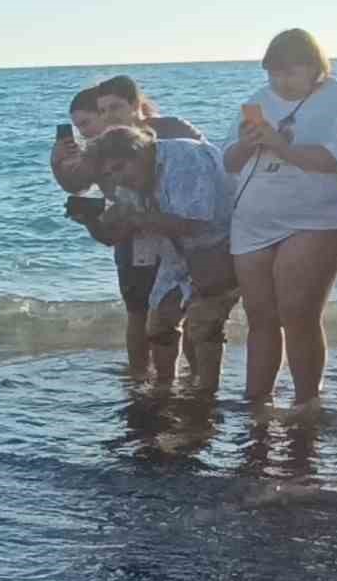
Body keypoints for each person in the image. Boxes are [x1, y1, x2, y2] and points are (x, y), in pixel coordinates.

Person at [223, 29, 337, 408]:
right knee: (259, 315)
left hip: (317, 218)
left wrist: (281, 147)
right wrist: (245, 144)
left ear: (315, 68)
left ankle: (306, 402)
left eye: (290, 72)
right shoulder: (257, 100)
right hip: (253, 220)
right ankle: (257, 401)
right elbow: (229, 161)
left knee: (298, 311)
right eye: (273, 73)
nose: (280, 81)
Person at [53, 79, 205, 380]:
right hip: (135, 235)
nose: (106, 117)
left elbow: (207, 163)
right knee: (139, 309)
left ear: (135, 105)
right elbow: (76, 185)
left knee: (186, 310)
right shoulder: (98, 147)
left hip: (179, 230)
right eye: (102, 110)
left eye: (113, 108)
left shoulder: (170, 128)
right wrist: (58, 162)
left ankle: (194, 377)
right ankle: (141, 375)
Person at [95, 126, 240, 393]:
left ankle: (206, 392)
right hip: (177, 255)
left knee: (204, 325)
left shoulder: (186, 159)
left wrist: (134, 218)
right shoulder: (132, 179)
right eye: (110, 173)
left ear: (140, 153)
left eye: (120, 167)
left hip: (221, 245)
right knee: (159, 325)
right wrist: (96, 222)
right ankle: (164, 388)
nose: (118, 178)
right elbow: (114, 236)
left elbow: (194, 222)